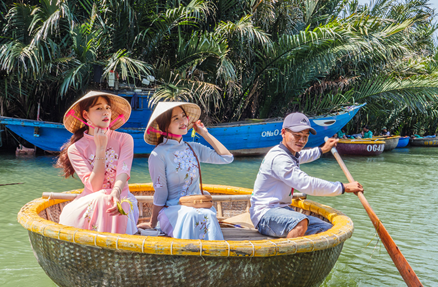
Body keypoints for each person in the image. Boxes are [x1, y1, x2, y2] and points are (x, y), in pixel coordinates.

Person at [250, 113, 364, 238]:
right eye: (297, 135)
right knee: (299, 223)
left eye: (305, 136)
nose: (302, 140)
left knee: (327, 229)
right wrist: (343, 187)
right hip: (264, 214)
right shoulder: (279, 158)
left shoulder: (291, 154)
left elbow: (304, 155)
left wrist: (323, 149)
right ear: (283, 133)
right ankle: (286, 254)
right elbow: (306, 184)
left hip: (283, 210)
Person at [140, 102, 234, 240]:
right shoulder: (158, 155)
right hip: (173, 210)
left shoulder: (194, 148)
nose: (183, 121)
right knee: (190, 215)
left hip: (199, 207)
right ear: (164, 126)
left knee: (206, 214)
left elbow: (227, 158)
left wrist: (205, 134)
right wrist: (152, 223)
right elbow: (161, 192)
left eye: (184, 116)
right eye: (175, 118)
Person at [56, 91, 139, 235]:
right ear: (86, 115)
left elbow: (123, 172)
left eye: (108, 108)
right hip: (92, 201)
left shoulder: (125, 139)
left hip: (122, 196)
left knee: (116, 202)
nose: (106, 112)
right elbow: (95, 187)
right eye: (99, 108)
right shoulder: (76, 149)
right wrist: (101, 149)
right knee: (102, 197)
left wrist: (116, 192)